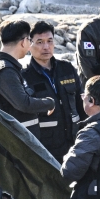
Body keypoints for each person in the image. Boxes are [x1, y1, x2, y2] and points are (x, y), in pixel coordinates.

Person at [0, 20, 57, 138]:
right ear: (23, 42)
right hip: (15, 139)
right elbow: (24, 103)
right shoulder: (6, 70)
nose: (29, 47)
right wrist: (49, 103)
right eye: (29, 41)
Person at [23, 21, 82, 162]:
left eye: (50, 41)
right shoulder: (24, 76)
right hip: (46, 147)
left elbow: (81, 103)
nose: (46, 47)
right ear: (29, 44)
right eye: (40, 42)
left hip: (75, 143)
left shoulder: (67, 69)